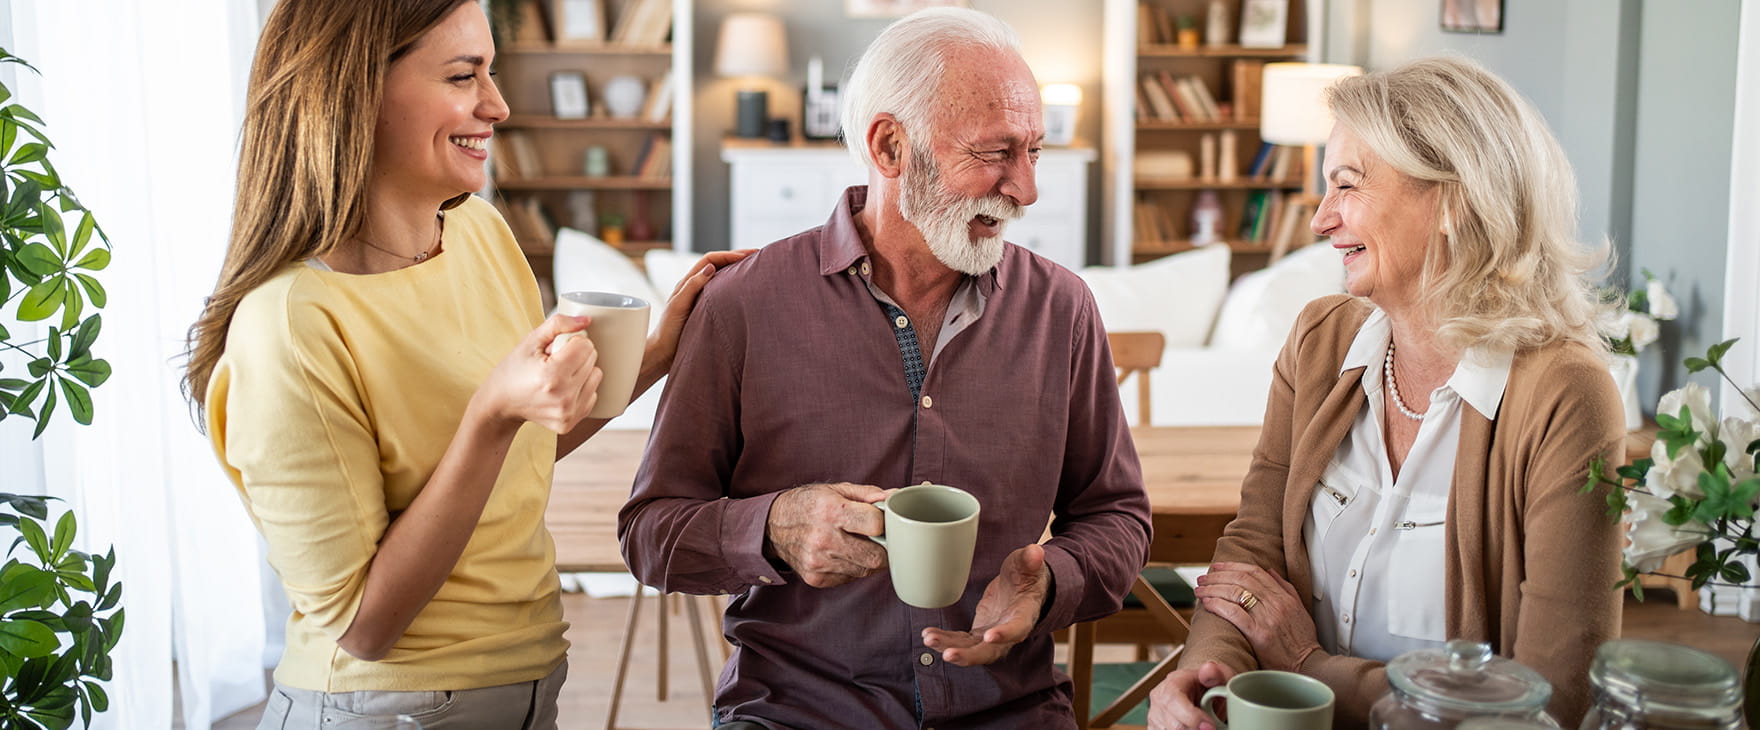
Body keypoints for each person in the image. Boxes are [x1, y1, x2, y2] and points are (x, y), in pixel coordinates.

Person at [181, 1, 745, 727]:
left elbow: (523, 450)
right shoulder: (290, 325)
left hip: (528, 683)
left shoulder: (478, 233)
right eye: (461, 75)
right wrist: (492, 413)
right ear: (353, 91)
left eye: (492, 71)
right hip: (381, 706)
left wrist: (663, 349)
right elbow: (365, 626)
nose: (498, 105)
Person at [617, 8, 1152, 728]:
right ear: (891, 146)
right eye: (995, 154)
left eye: (1034, 152)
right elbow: (651, 533)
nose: (1026, 190)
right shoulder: (742, 305)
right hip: (797, 710)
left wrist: (1051, 582)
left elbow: (1116, 515)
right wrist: (771, 528)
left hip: (1010, 710)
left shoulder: (1062, 309)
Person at [1147, 56, 1625, 729]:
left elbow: (1552, 698)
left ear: (1455, 200)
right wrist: (1204, 678)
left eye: (1347, 186)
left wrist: (1311, 669)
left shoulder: (1565, 396)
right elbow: (1253, 552)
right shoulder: (1320, 340)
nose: (1319, 220)